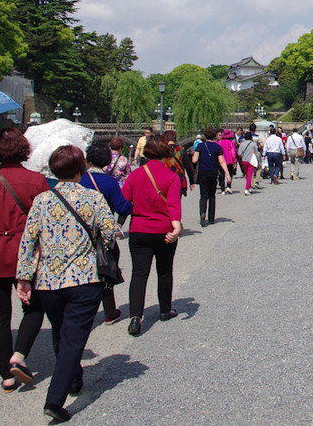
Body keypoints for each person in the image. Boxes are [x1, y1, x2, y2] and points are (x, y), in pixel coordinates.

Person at [16, 145, 118, 423]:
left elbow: (28, 241)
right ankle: (55, 399)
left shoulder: (42, 200)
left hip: (48, 279)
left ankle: (73, 379)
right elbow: (110, 234)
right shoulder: (93, 199)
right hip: (83, 278)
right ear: (81, 168)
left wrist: (24, 277)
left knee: (61, 332)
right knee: (73, 339)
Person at [0, 126, 49, 393]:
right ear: (23, 150)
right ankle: (20, 354)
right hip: (25, 253)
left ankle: (6, 375)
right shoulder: (37, 181)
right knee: (34, 307)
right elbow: (44, 222)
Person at [121, 135, 184, 335]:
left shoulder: (136, 175)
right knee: (164, 271)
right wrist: (176, 228)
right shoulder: (171, 176)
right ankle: (165, 309)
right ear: (166, 153)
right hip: (164, 229)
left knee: (139, 274)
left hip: (139, 229)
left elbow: (123, 202)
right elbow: (173, 205)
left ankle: (135, 317)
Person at [79, 143, 133, 325]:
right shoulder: (109, 183)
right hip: (101, 233)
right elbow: (122, 207)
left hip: (79, 232)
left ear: (88, 160)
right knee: (106, 267)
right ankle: (109, 311)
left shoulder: (78, 180)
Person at [193, 127, 232, 225]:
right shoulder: (217, 147)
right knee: (212, 196)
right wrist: (227, 174)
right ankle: (211, 218)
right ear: (214, 136)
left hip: (203, 172)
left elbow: (194, 160)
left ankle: (202, 213)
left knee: (203, 195)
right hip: (213, 172)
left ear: (204, 136)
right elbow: (221, 161)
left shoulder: (200, 146)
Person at [237, 130, 260, 195]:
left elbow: (239, 153)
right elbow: (257, 153)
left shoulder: (242, 144)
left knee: (247, 174)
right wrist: (259, 161)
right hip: (251, 161)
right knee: (250, 175)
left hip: (244, 160)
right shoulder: (253, 144)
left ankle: (249, 186)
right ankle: (247, 188)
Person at [216, 129, 238, 194]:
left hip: (220, 161)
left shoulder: (218, 142)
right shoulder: (231, 143)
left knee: (221, 174)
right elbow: (233, 153)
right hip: (229, 160)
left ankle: (222, 189)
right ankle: (228, 186)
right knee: (230, 174)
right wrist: (234, 161)